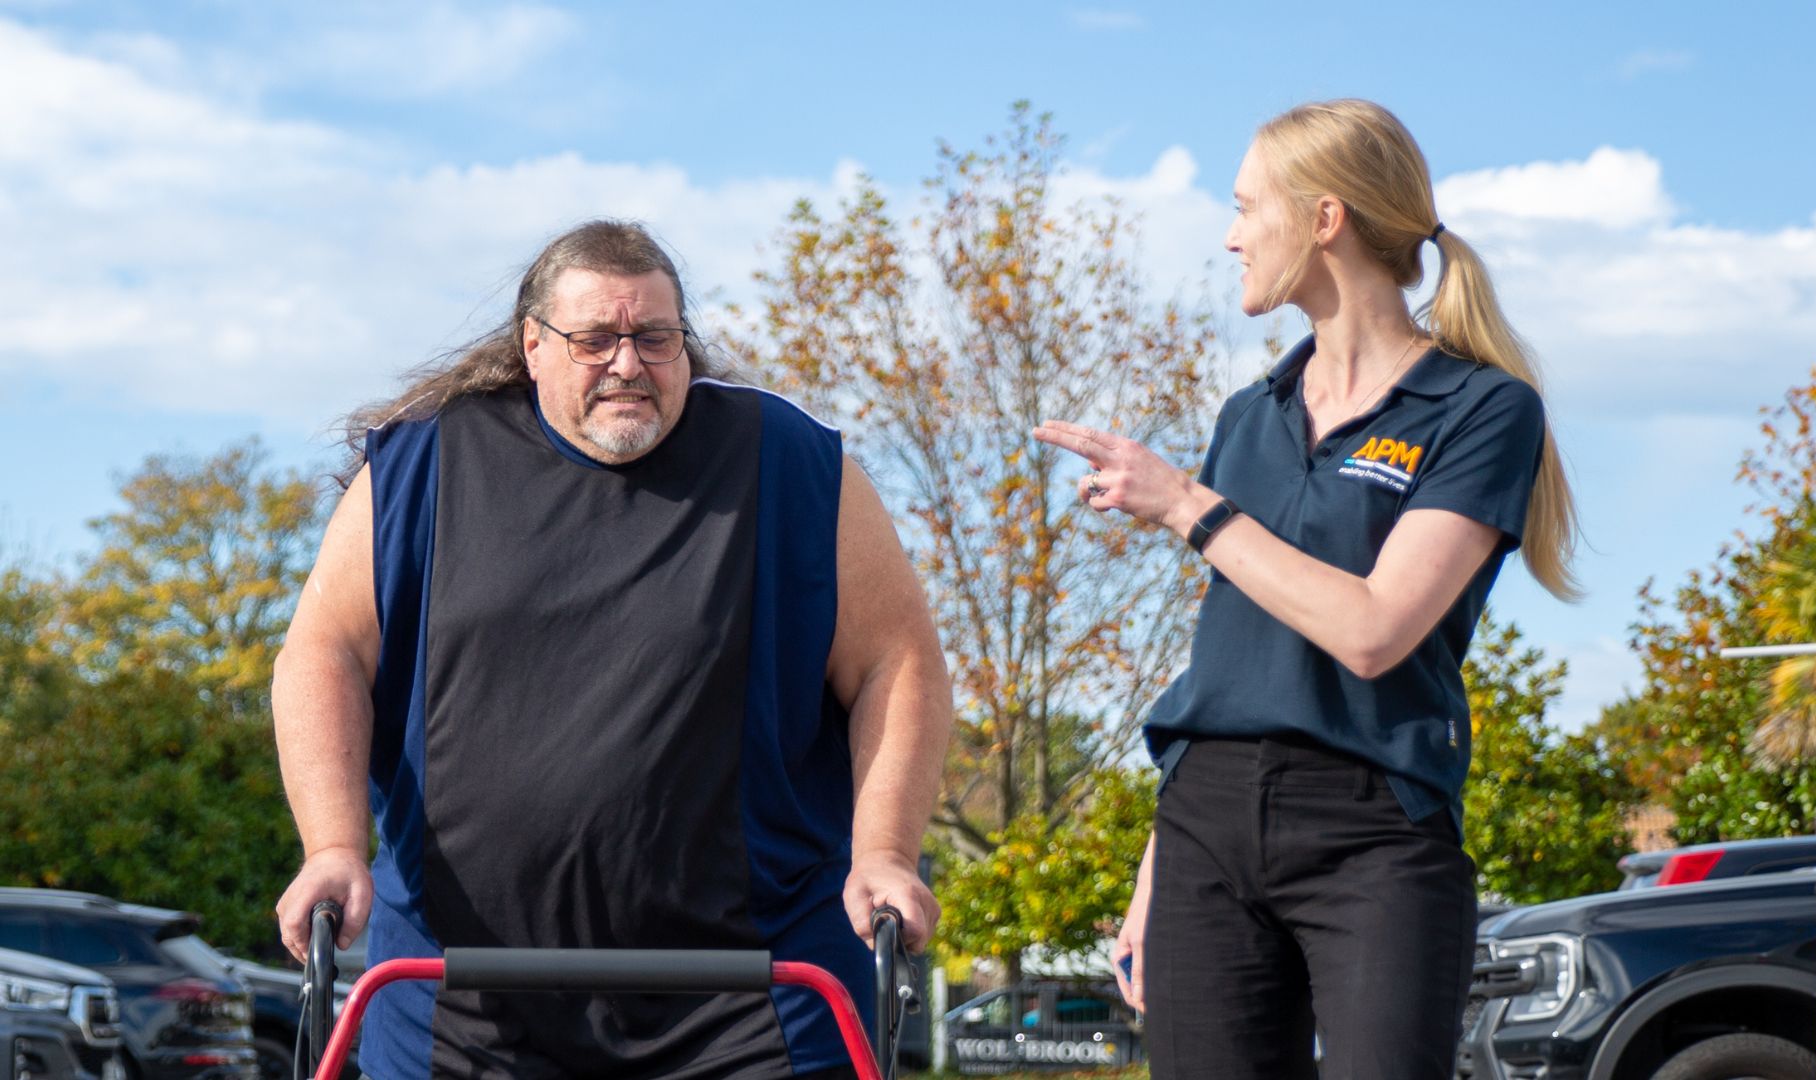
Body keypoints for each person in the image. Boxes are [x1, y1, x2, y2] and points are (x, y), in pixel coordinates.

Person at [271, 219, 952, 1080]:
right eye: (595, 340)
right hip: (464, 1003)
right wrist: (331, 846)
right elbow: (323, 655)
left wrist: (884, 850)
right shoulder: (423, 463)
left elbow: (899, 660)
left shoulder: (789, 461)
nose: (628, 364)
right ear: (533, 346)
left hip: (756, 1001)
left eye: (655, 338)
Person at [1033, 100, 1579, 1078]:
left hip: (1375, 830)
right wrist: (1160, 867)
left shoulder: (1483, 408)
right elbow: (1232, 647)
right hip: (1204, 821)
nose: (1231, 234)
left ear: (1325, 219)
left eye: (1247, 207)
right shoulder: (1251, 415)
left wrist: (1187, 507)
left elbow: (1375, 631)